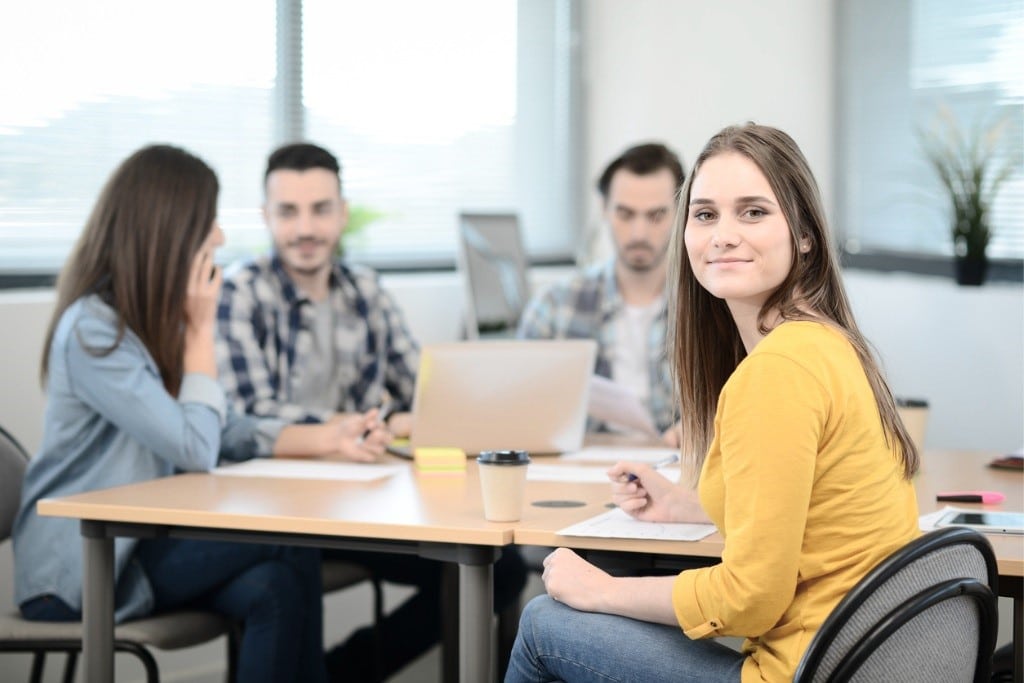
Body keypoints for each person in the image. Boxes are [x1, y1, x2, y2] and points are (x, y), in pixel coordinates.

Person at [505, 123, 922, 683]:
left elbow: (751, 598)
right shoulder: (825, 343)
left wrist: (603, 590)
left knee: (542, 623)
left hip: (800, 672)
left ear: (804, 235)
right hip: (854, 662)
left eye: (752, 212)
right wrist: (687, 507)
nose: (723, 235)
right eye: (705, 215)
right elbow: (798, 506)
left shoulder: (776, 372)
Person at [10, 145, 390, 683]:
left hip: (143, 548)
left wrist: (329, 438)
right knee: (290, 536)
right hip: (82, 572)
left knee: (276, 586)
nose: (219, 238)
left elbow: (224, 427)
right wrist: (202, 331)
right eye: (207, 221)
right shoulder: (93, 332)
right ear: (168, 230)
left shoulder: (150, 317)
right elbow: (194, 445)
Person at [216, 141, 527, 681]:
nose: (305, 228)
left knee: (500, 570)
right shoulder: (241, 292)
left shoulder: (365, 289)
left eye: (319, 209)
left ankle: (346, 671)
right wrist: (348, 428)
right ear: (266, 217)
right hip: (278, 508)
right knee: (289, 571)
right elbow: (247, 417)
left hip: (365, 500)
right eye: (288, 212)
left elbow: (420, 394)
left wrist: (404, 419)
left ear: (341, 212)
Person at [517, 142, 685, 444]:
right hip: (583, 471)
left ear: (681, 212)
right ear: (604, 210)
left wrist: (704, 429)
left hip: (677, 472)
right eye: (625, 214)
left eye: (656, 215)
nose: (639, 234)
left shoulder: (713, 307)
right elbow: (517, 408)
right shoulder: (555, 306)